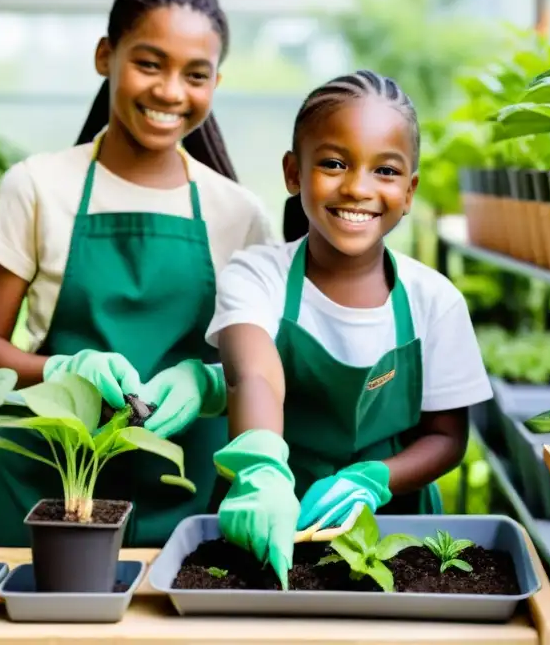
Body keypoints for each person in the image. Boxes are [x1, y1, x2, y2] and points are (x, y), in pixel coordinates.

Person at [0, 0, 275, 548]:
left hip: (185, 506)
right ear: (106, 56)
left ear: (216, 82)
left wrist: (204, 382)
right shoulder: (37, 187)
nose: (170, 91)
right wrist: (62, 370)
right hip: (43, 502)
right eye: (149, 64)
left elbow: (266, 371)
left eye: (195, 74)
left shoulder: (239, 212)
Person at [203, 70, 493, 587]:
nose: (357, 187)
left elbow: (447, 437)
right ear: (294, 173)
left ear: (409, 191)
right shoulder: (258, 275)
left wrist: (375, 479)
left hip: (394, 532)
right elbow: (254, 377)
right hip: (272, 520)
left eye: (385, 170)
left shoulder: (435, 301)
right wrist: (263, 472)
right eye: (334, 164)